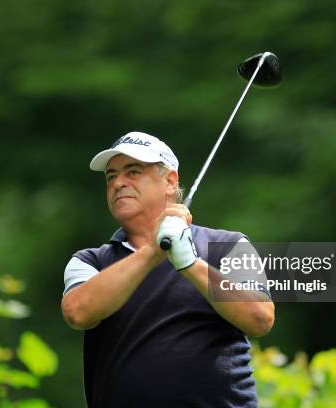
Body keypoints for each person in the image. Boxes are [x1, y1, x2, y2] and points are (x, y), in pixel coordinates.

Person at [61, 131, 274, 407]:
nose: (118, 183)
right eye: (111, 176)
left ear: (170, 181)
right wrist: (154, 251)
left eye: (133, 172)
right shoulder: (90, 261)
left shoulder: (229, 244)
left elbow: (260, 318)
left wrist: (190, 264)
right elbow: (78, 312)